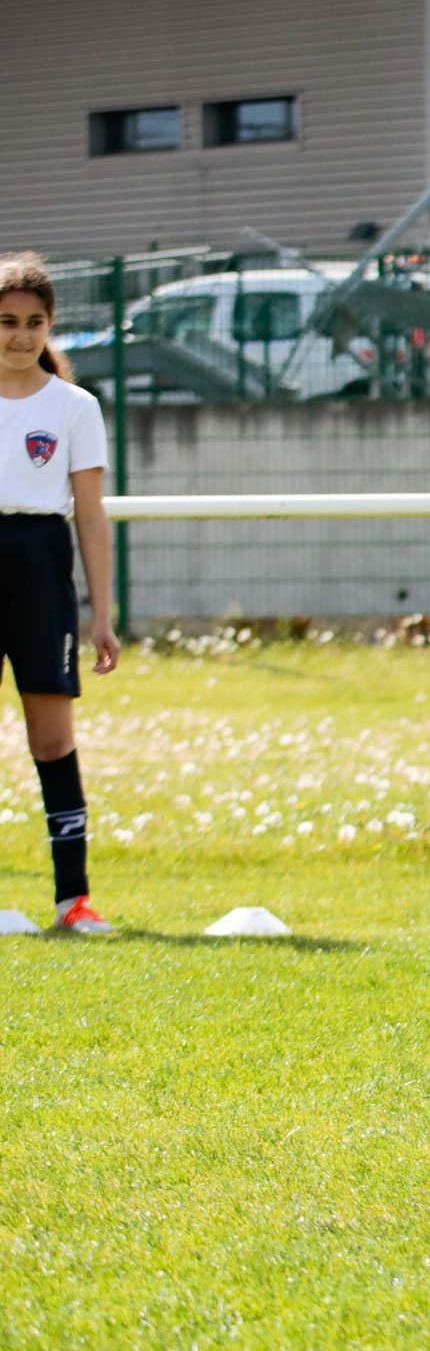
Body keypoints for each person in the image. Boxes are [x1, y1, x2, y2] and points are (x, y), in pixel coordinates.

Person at [0, 253, 117, 935]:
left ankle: (72, 899)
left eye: (33, 322)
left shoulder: (75, 407)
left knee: (51, 740)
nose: (19, 336)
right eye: (7, 322)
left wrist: (102, 615)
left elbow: (92, 516)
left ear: (51, 326)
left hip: (41, 567)